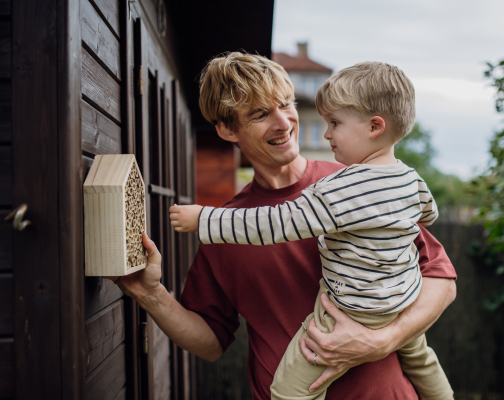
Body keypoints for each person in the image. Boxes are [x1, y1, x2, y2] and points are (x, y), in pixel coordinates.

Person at [112, 52, 457, 400]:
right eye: (261, 114)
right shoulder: (226, 229)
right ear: (227, 129)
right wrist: (150, 294)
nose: (284, 122)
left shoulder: (358, 185)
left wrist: (382, 341)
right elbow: (211, 342)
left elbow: (442, 281)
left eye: (286, 104)